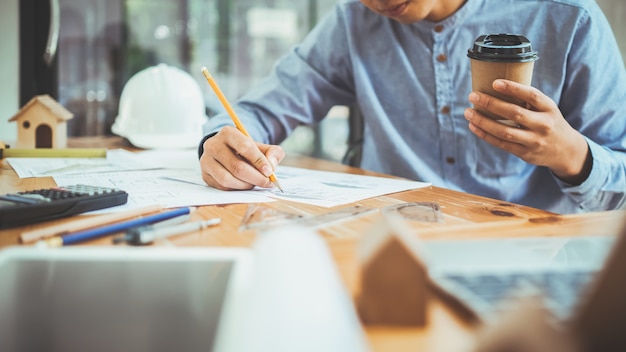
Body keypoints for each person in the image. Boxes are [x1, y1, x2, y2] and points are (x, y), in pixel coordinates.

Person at [198, 0, 626, 214]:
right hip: (386, 249)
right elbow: (260, 110)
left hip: (525, 261)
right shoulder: (353, 20)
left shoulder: (568, 16)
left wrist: (572, 156)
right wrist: (219, 144)